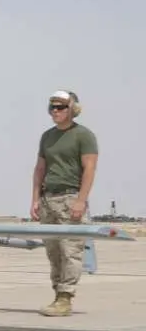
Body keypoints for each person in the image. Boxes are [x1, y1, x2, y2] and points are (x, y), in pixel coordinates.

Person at [30, 90, 98, 317]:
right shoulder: (47, 137)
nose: (55, 111)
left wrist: (81, 200)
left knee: (70, 251)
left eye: (61, 107)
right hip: (48, 199)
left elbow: (90, 168)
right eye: (52, 107)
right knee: (54, 253)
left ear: (72, 109)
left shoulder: (83, 135)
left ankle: (65, 298)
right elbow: (40, 169)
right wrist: (35, 199)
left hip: (71, 198)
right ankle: (57, 295)